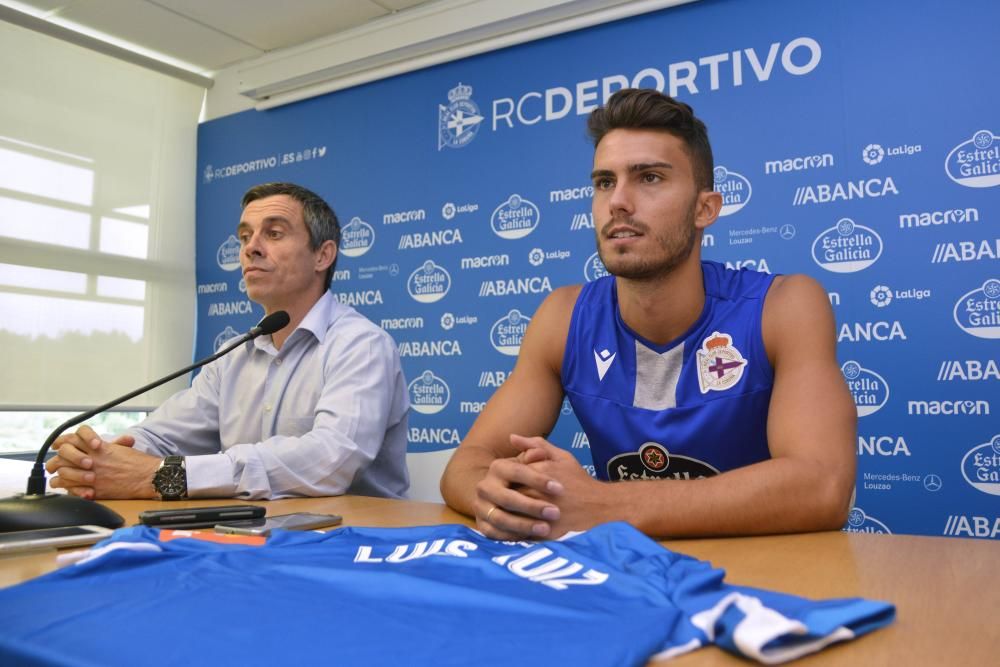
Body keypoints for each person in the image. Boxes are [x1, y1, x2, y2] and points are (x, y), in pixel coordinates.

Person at [440, 89, 856, 540]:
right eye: (604, 182)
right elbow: (466, 465)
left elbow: (822, 485)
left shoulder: (783, 306)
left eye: (650, 178)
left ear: (705, 208)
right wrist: (502, 493)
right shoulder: (563, 316)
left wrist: (603, 505)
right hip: (624, 581)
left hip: (761, 585)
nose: (618, 201)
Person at [46, 182, 409, 500]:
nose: (251, 248)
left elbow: (332, 459)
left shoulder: (361, 345)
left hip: (349, 544)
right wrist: (98, 456)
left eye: (274, 233)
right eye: (244, 236)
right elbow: (164, 436)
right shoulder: (233, 355)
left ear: (322, 255)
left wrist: (164, 477)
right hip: (247, 538)